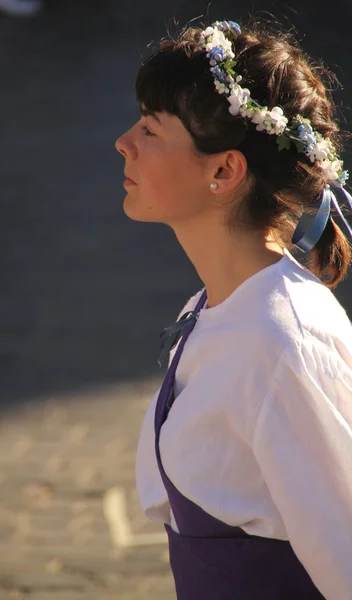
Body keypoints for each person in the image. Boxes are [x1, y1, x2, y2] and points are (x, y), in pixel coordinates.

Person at [115, 17, 352, 600]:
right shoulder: (217, 303)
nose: (124, 141)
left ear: (224, 170)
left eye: (150, 128)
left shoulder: (280, 341)